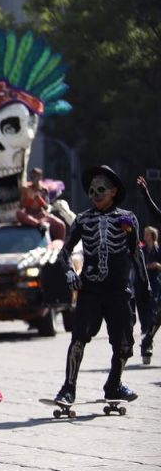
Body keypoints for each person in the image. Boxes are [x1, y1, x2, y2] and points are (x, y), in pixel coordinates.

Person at [53, 166, 149, 405]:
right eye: (92, 191)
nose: (95, 194)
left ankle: (114, 385)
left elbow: (136, 253)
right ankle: (68, 388)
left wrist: (145, 286)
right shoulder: (83, 220)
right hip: (91, 290)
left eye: (101, 190)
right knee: (78, 338)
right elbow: (64, 252)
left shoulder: (127, 218)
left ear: (113, 191)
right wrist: (70, 272)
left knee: (124, 344)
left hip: (118, 291)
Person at [138, 226, 160, 364]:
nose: (144, 236)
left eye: (147, 234)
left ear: (152, 235)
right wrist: (146, 267)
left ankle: (147, 342)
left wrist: (157, 265)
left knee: (155, 315)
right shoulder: (142, 250)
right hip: (144, 286)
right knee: (151, 315)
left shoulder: (159, 250)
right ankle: (147, 342)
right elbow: (137, 265)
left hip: (158, 285)